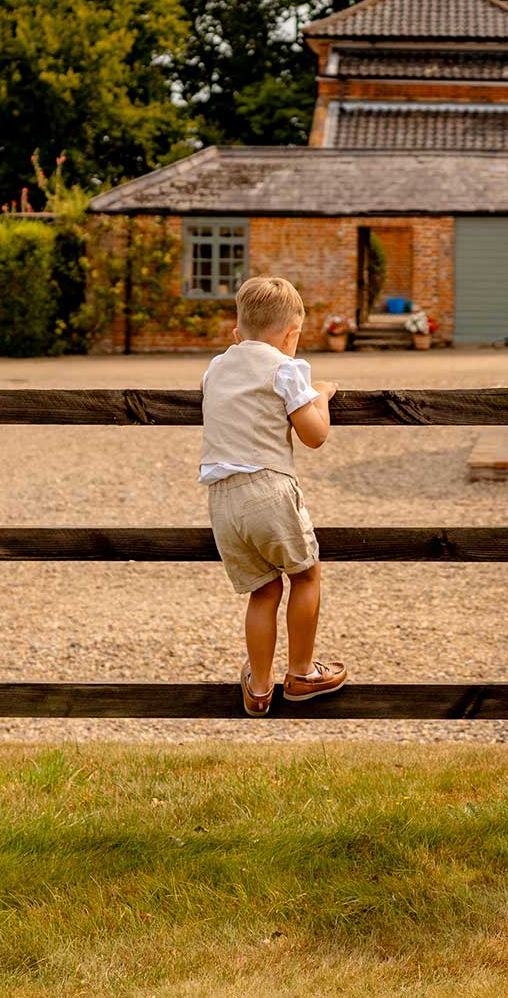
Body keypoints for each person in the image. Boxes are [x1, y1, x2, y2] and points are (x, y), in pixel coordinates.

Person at [199, 275, 347, 715]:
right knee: (305, 575)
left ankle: (260, 687)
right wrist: (320, 395)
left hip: (221, 497)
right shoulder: (287, 367)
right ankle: (301, 672)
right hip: (267, 487)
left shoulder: (216, 367)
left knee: (263, 591)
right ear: (292, 336)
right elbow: (314, 436)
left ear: (236, 334)